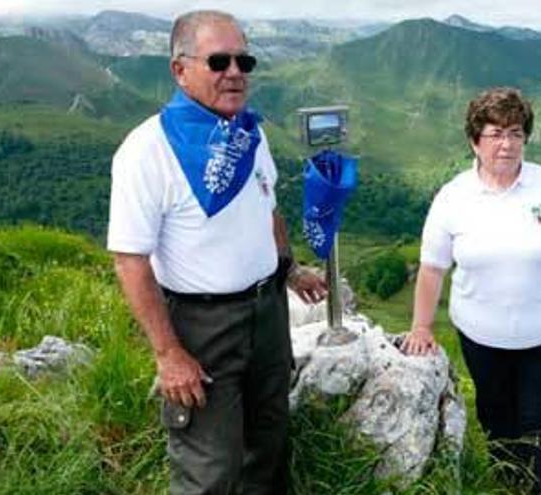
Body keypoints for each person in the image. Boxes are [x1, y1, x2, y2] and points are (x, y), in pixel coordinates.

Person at [106, 10, 326, 495]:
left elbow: (267, 211)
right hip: (202, 326)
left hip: (267, 314)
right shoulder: (147, 151)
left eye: (243, 60)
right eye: (219, 60)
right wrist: (168, 354)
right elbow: (130, 259)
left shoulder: (250, 134)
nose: (235, 72)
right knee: (210, 466)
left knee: (268, 444)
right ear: (179, 70)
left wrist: (290, 271)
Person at [401, 87, 541, 494]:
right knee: (499, 425)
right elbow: (433, 267)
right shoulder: (453, 197)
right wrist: (421, 327)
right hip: (482, 339)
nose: (507, 144)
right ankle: (508, 485)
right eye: (495, 134)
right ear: (475, 140)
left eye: (515, 133)